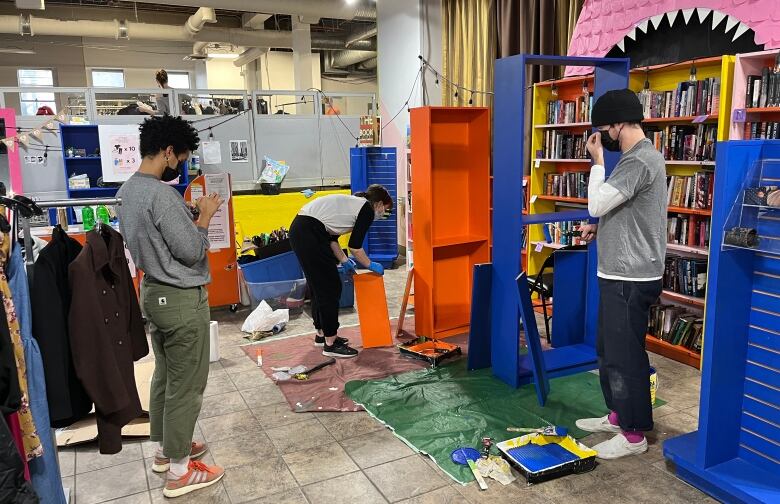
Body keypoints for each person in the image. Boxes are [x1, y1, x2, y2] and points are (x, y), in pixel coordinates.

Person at [116, 115, 225, 498]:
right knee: (187, 385)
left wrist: (187, 216)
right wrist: (206, 217)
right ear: (167, 152)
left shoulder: (128, 190)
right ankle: (179, 471)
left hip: (153, 292)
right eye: (180, 158)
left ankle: (166, 450)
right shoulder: (162, 195)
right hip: (180, 298)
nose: (180, 165)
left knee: (165, 376)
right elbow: (191, 250)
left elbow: (158, 238)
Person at [575, 89, 667, 460]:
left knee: (625, 355)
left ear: (617, 124)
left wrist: (596, 161)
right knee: (609, 350)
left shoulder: (639, 161)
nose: (604, 137)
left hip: (631, 277)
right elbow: (624, 211)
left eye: (605, 129)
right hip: (619, 273)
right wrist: (601, 228)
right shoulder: (636, 160)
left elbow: (596, 202)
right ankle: (618, 415)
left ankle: (633, 435)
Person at [290, 185, 392, 358]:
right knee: (330, 288)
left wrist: (344, 261)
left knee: (318, 286)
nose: (383, 213)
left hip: (304, 230)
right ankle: (330, 343)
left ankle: (322, 335)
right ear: (379, 203)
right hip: (309, 232)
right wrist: (369, 264)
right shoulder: (367, 209)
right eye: (386, 210)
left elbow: (332, 238)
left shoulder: (354, 204)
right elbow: (355, 246)